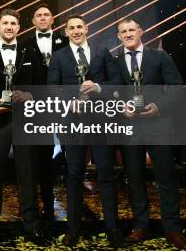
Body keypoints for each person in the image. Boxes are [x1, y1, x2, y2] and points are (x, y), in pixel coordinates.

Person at [47, 14, 125, 247]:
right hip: (72, 121)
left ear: (87, 29)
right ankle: (73, 230)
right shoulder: (59, 56)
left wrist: (99, 87)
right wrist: (71, 100)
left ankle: (112, 230)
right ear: (67, 31)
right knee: (73, 175)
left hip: (100, 120)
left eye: (79, 26)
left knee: (106, 173)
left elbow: (118, 82)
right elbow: (52, 86)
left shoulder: (101, 52)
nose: (76, 31)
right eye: (71, 28)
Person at [0, 8, 45, 244]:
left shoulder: (30, 51)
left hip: (25, 120)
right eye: (5, 23)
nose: (9, 27)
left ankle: (31, 225)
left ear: (19, 27)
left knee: (27, 174)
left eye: (13, 23)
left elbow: (41, 84)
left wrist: (30, 95)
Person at [115, 18, 186, 249]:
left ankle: (172, 229)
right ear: (119, 36)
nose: (128, 34)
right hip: (129, 129)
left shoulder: (160, 57)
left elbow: (177, 87)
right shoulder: (115, 62)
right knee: (135, 180)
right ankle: (141, 226)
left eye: (131, 30)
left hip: (159, 125)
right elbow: (110, 92)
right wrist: (119, 107)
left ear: (140, 31)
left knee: (166, 178)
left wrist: (159, 108)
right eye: (123, 31)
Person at [22, 3, 69, 220]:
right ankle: (47, 209)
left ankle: (73, 211)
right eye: (38, 15)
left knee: (71, 160)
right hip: (38, 111)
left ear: (53, 19)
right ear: (32, 21)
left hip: (66, 109)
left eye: (46, 15)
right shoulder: (24, 45)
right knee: (42, 161)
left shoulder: (66, 42)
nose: (42, 18)